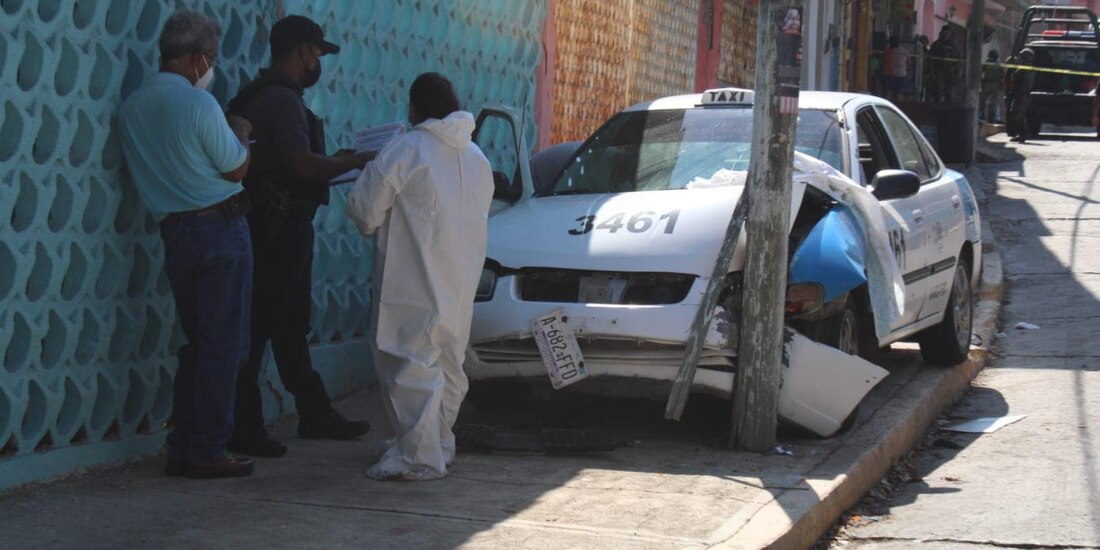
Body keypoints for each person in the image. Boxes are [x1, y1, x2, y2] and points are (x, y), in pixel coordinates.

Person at [225, 15, 373, 458]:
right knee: (260, 326)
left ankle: (313, 411)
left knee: (288, 325)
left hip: (274, 227)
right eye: (317, 54)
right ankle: (244, 426)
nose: (318, 63)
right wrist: (354, 161)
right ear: (301, 52)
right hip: (278, 231)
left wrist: (340, 160)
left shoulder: (261, 94)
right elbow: (300, 165)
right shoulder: (282, 101)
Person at [117, 11, 255, 478]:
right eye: (211, 59)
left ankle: (185, 443)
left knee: (198, 343)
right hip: (220, 227)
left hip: (174, 231)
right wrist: (242, 134)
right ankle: (207, 448)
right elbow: (236, 169)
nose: (210, 67)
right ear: (198, 59)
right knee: (224, 347)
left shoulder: (133, 106)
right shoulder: (200, 106)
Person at [346, 73, 494, 481]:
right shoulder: (477, 158)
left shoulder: (407, 148)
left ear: (415, 107)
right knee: (448, 361)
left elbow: (364, 207)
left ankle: (418, 457)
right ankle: (436, 444)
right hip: (458, 280)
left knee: (410, 362)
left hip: (410, 277)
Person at [1009, 48, 1037, 143]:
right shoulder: (1022, 68)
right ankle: (1020, 134)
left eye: (1022, 57)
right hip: (1018, 94)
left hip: (1022, 95)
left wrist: (1022, 94)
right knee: (1015, 114)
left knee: (1018, 115)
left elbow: (1026, 84)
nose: (1020, 58)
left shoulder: (1027, 69)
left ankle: (1023, 134)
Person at [929, 26, 961, 102]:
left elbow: (958, 60)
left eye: (948, 33)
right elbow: (931, 60)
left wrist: (957, 72)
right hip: (938, 71)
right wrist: (932, 73)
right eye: (945, 33)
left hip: (950, 73)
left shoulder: (954, 46)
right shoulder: (936, 45)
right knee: (936, 92)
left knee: (949, 93)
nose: (946, 35)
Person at [980, 50, 1005, 123]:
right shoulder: (998, 64)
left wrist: (981, 81)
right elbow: (1002, 75)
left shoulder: (986, 63)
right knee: (993, 102)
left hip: (987, 83)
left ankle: (983, 116)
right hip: (994, 84)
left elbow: (980, 72)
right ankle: (991, 118)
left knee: (983, 101)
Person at [884, 36, 910, 101]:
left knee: (889, 92)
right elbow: (908, 62)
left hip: (890, 74)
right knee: (899, 93)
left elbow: (885, 62)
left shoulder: (888, 51)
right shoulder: (904, 51)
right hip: (902, 74)